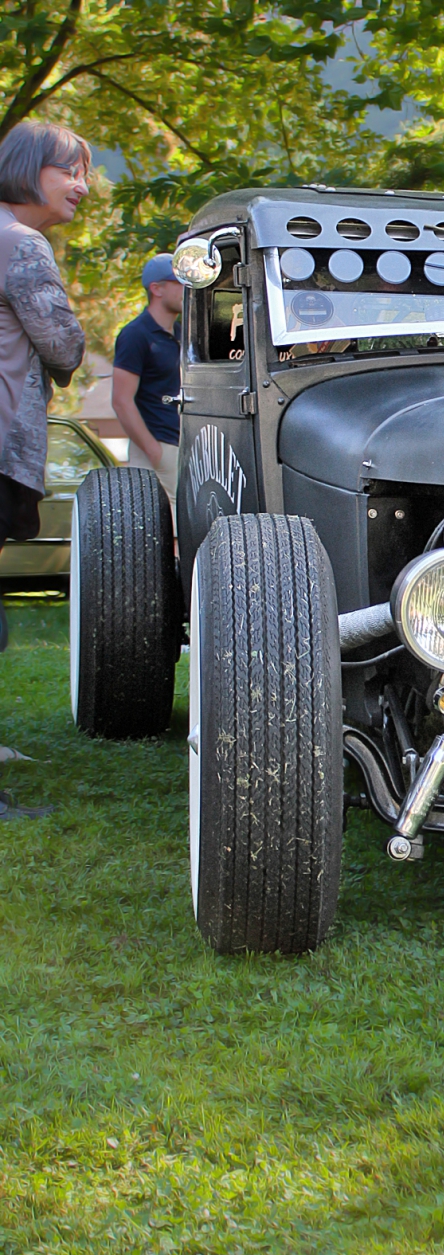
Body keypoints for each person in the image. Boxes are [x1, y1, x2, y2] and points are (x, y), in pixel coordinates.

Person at [0, 121, 88, 820]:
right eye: (70, 170)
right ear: (29, 169)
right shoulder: (21, 244)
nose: (82, 186)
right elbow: (62, 343)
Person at [112, 253, 182, 520]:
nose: (186, 288)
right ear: (157, 288)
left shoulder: (180, 334)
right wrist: (152, 450)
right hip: (157, 445)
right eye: (178, 281)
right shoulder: (135, 335)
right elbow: (121, 400)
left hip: (180, 443)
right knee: (167, 526)